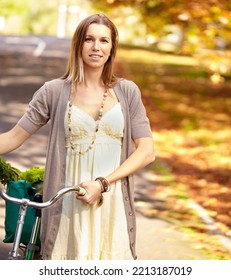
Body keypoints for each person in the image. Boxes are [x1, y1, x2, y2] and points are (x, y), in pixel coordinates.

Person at [0, 13, 155, 260]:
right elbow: (14, 136)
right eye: (89, 39)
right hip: (67, 204)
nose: (96, 47)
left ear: (112, 47)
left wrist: (102, 183)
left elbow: (146, 151)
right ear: (78, 44)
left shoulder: (127, 92)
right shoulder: (53, 91)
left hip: (111, 202)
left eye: (104, 40)